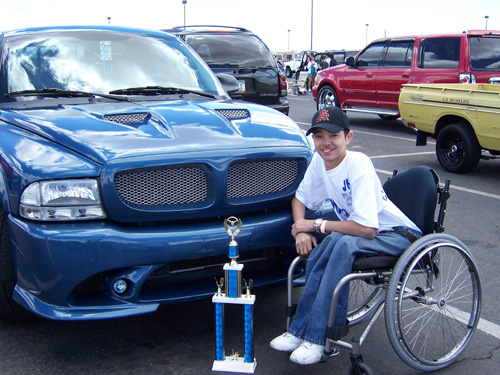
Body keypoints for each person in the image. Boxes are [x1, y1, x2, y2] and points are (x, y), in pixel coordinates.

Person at [270, 107, 422, 365]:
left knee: (340, 242)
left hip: (398, 235)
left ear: (348, 137)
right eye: (318, 136)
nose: (326, 143)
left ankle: (320, 337)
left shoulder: (358, 163)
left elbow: (366, 229)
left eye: (333, 135)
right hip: (364, 233)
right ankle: (299, 331)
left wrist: (316, 224)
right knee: (324, 247)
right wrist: (300, 228)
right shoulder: (320, 161)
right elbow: (300, 199)